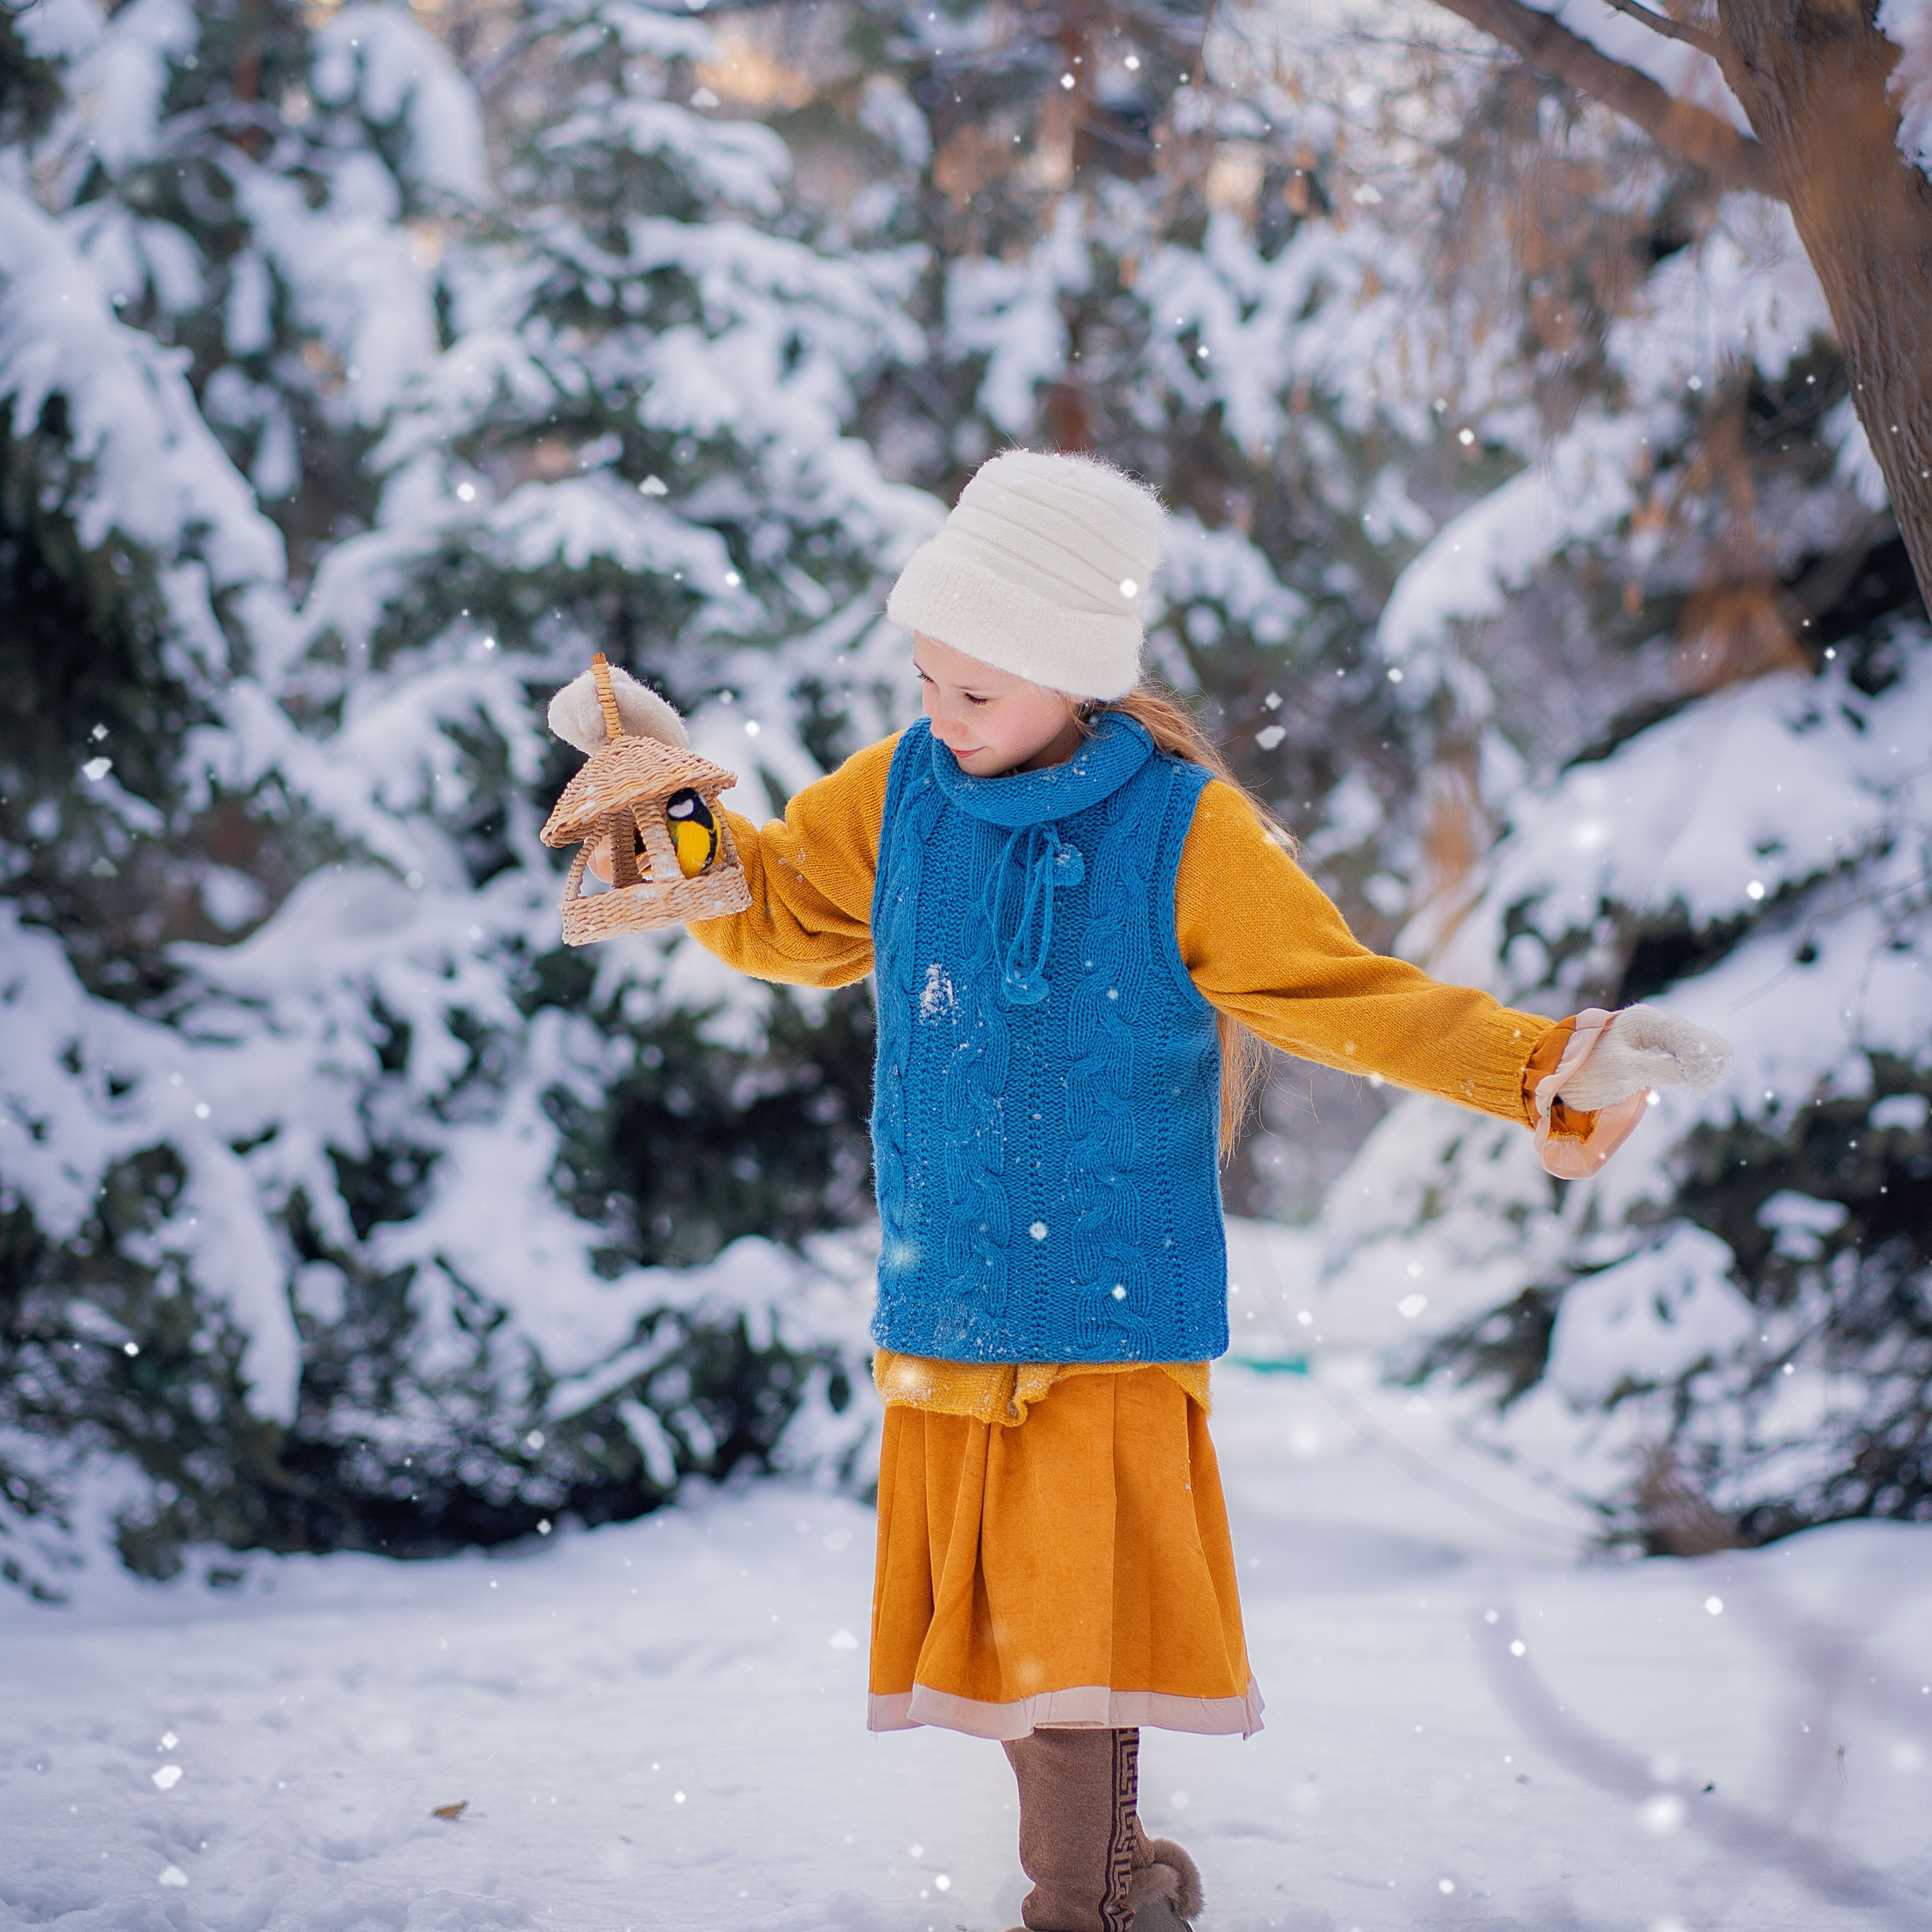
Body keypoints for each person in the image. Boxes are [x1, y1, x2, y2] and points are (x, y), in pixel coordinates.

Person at [546, 451, 1730, 1932]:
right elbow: (779, 907)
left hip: (1103, 1291)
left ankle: (1087, 1900)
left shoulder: (1185, 826)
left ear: (1069, 675)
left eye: (976, 692)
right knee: (1013, 1631)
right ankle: (1111, 1880)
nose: (941, 717)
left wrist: (1546, 1064)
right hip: (952, 1283)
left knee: (1069, 1618)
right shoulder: (902, 788)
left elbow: (1334, 996)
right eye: (927, 679)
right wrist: (669, 791)